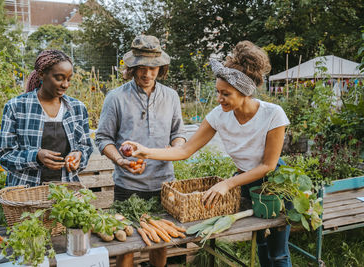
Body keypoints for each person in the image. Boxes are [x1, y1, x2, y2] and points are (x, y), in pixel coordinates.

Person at [124, 41, 292, 267]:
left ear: (244, 92)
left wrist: (227, 184)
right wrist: (145, 151)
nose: (219, 98)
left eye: (226, 94)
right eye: (217, 92)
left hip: (274, 184)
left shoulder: (273, 114)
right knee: (260, 243)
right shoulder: (218, 115)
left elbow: (268, 165)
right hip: (245, 183)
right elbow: (184, 150)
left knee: (278, 253)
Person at [95, 35, 186, 267]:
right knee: (127, 247)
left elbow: (179, 134)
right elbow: (103, 138)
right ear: (132, 67)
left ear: (161, 68)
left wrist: (174, 148)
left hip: (163, 185)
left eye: (153, 68)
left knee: (159, 241)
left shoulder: (171, 96)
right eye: (142, 68)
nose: (147, 74)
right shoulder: (116, 98)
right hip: (128, 186)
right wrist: (119, 160)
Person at [0, 50, 93, 187]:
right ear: (42, 74)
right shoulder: (16, 107)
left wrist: (79, 155)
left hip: (66, 194)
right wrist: (36, 156)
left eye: (69, 79)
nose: (65, 85)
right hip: (25, 192)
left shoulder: (77, 108)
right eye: (59, 78)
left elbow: (85, 147)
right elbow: (4, 156)